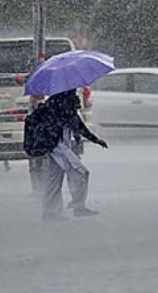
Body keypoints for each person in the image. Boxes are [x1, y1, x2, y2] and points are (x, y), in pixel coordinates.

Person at [39, 90, 108, 221]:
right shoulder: (62, 101)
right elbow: (76, 123)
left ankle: (51, 213)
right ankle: (77, 206)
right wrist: (95, 139)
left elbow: (75, 124)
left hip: (56, 144)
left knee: (54, 179)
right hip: (57, 145)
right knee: (81, 172)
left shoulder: (56, 100)